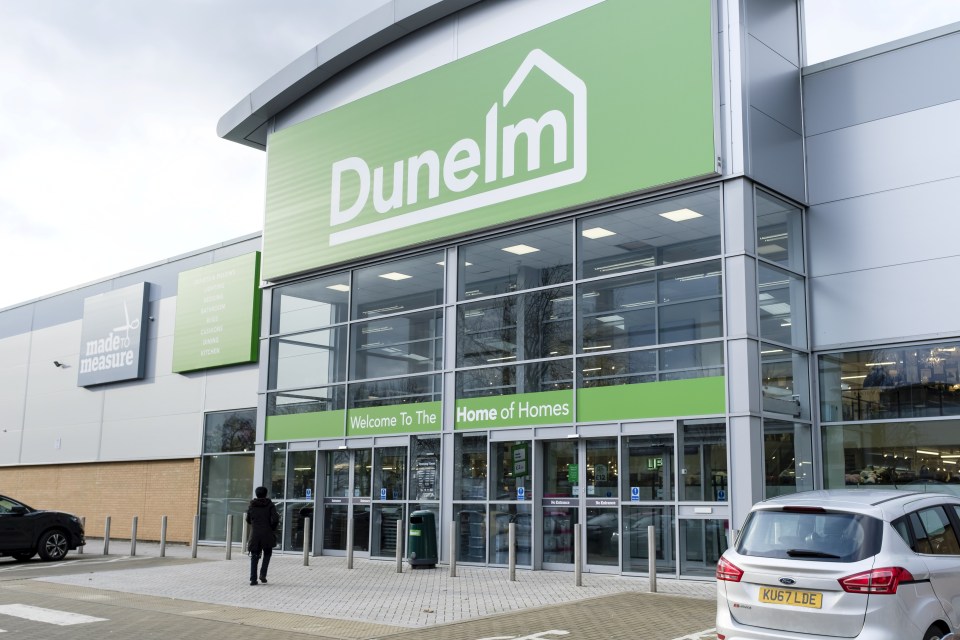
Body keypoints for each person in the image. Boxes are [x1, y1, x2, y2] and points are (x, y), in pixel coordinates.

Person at [246, 486, 279, 586]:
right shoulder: (270, 505)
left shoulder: (252, 505)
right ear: (266, 494)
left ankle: (253, 579)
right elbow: (275, 519)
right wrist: (272, 528)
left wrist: (255, 524)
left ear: (256, 494)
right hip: (267, 533)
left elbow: (248, 519)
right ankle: (263, 574)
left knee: (254, 556)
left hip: (255, 534)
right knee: (267, 553)